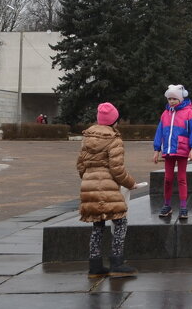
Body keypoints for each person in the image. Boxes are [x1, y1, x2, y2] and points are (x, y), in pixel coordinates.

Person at [76, 101, 137, 277]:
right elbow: (117, 169)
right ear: (114, 121)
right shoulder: (114, 139)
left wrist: (88, 179)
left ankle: (94, 266)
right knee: (120, 221)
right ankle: (117, 262)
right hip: (107, 186)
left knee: (97, 224)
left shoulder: (87, 137)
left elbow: (80, 165)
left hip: (88, 185)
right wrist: (130, 183)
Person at [153, 84, 192, 221]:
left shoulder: (189, 113)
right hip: (168, 151)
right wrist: (156, 149)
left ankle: (183, 207)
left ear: (180, 99)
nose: (171, 101)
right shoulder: (165, 114)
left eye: (174, 98)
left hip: (182, 150)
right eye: (169, 99)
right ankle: (167, 205)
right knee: (167, 179)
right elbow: (159, 132)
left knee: (181, 179)